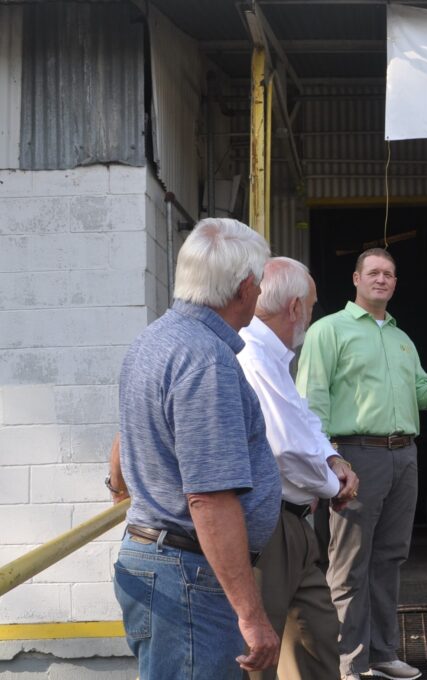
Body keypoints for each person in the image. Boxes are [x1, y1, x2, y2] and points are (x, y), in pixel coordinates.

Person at [295, 248, 427, 680]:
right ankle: (348, 663)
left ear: (395, 284)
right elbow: (312, 400)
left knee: (390, 558)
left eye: (389, 274)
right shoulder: (329, 331)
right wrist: (328, 459)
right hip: (355, 453)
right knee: (349, 563)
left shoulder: (402, 339)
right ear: (356, 279)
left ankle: (382, 653)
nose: (381, 279)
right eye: (374, 272)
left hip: (404, 455)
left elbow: (421, 393)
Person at [113, 218, 281, 678]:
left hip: (163, 561)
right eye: (261, 284)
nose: (261, 293)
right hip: (187, 574)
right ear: (244, 288)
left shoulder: (154, 339)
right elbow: (209, 497)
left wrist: (121, 486)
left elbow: (124, 438)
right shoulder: (206, 359)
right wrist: (251, 615)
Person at [236, 257, 361, 679]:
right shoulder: (252, 354)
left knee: (318, 632)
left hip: (295, 521)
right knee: (262, 651)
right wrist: (335, 487)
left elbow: (303, 420)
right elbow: (285, 449)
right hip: (268, 526)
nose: (312, 312)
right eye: (311, 304)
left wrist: (333, 460)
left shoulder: (276, 355)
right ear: (294, 308)